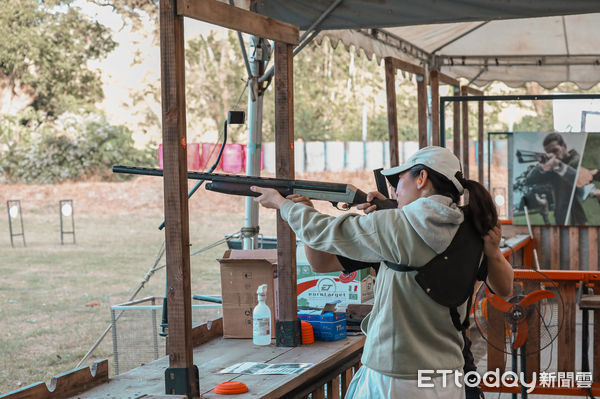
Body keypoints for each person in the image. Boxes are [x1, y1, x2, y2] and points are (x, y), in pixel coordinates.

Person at [251, 146, 513, 398]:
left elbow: (323, 234)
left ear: (421, 178)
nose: (396, 190)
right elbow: (506, 288)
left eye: (399, 181)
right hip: (448, 376)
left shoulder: (393, 226)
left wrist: (283, 204)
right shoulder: (471, 227)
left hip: (395, 377)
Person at [524, 133, 587, 225]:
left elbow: (577, 179)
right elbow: (529, 180)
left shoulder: (576, 161)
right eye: (549, 153)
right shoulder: (553, 168)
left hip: (577, 219)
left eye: (555, 151)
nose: (553, 156)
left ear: (564, 146)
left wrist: (558, 166)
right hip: (561, 218)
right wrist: (541, 167)